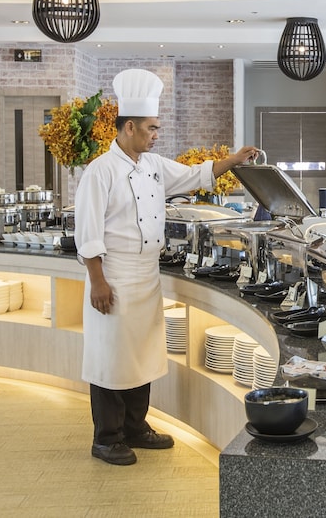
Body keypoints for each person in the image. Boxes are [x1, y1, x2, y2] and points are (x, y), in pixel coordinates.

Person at [74, 68, 259, 466]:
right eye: (151, 128)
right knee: (111, 358)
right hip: (114, 274)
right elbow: (87, 232)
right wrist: (97, 281)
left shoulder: (153, 165)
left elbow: (196, 175)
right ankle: (106, 438)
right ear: (128, 128)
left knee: (141, 356)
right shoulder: (100, 171)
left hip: (146, 273)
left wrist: (234, 159)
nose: (156, 134)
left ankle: (135, 428)